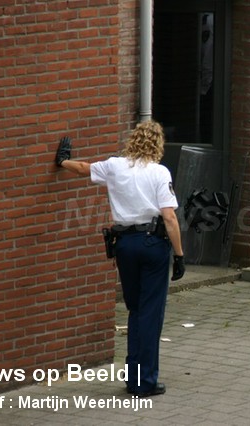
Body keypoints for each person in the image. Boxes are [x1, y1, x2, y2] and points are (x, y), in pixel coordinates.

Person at [54, 120, 185, 396]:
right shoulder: (160, 173)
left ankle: (133, 376)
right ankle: (145, 382)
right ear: (158, 145)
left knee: (135, 309)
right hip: (153, 246)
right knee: (151, 313)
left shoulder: (114, 166)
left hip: (125, 245)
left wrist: (63, 160)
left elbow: (82, 169)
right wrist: (180, 255)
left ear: (133, 141)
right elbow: (170, 217)